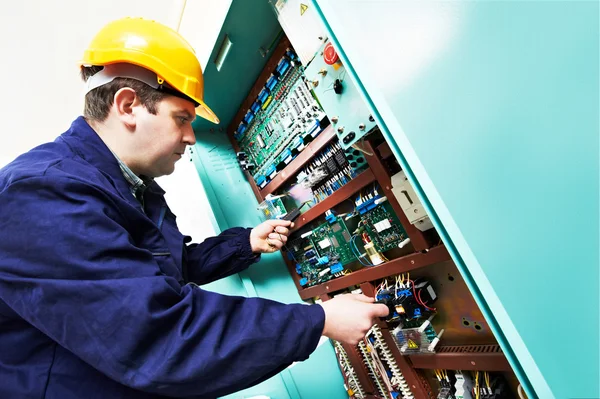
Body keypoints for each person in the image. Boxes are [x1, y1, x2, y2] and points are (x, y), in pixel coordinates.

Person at [0, 17, 388, 399]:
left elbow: (168, 268)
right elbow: (157, 337)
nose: (190, 137)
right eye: (182, 118)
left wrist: (245, 244)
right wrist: (318, 320)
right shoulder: (44, 190)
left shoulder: (131, 189)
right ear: (128, 106)